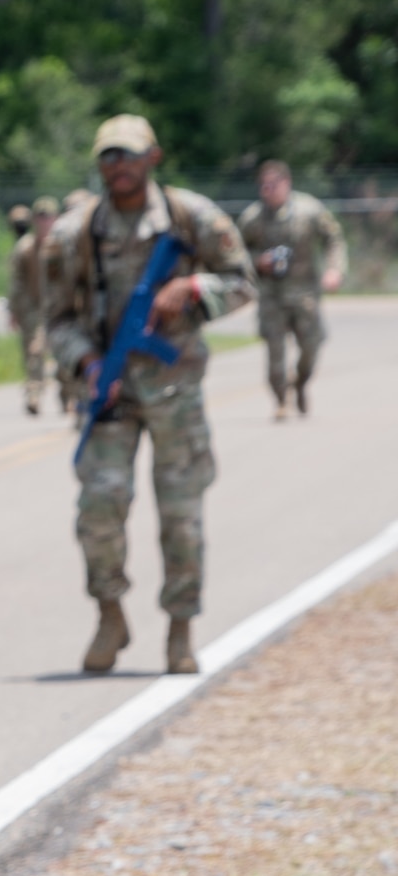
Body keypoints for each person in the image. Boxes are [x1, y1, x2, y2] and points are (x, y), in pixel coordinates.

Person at [42, 115, 255, 675]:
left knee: (181, 517)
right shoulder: (74, 233)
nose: (118, 166)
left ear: (153, 157)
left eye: (129, 155)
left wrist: (191, 288)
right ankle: (110, 613)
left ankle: (180, 629)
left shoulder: (193, 218)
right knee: (98, 511)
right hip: (108, 394)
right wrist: (85, 362)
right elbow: (56, 320)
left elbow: (242, 282)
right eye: (108, 157)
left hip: (174, 389)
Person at [237, 159, 347, 420]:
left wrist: (335, 270)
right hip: (271, 294)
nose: (268, 190)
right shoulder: (252, 218)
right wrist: (257, 261)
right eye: (263, 185)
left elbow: (333, 238)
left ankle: (300, 383)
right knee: (275, 351)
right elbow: (235, 253)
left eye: (273, 185)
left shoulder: (309, 211)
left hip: (305, 292)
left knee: (311, 346)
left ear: (287, 184)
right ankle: (281, 400)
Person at [6, 196, 66, 415]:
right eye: (40, 218)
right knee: (34, 352)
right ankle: (33, 393)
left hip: (61, 307)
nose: (44, 222)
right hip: (34, 308)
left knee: (64, 352)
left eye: (48, 217)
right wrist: (14, 310)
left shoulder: (63, 244)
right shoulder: (25, 248)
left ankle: (68, 394)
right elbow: (16, 282)